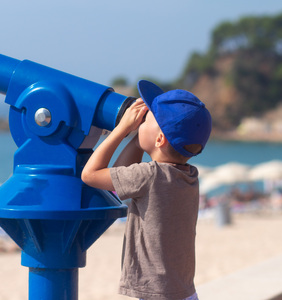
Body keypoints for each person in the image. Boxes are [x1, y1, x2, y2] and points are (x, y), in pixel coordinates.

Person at [81, 80, 212, 300]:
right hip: (183, 291)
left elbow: (90, 175)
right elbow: (122, 172)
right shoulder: (189, 176)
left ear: (160, 138)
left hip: (157, 294)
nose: (141, 120)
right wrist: (140, 136)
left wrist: (123, 128)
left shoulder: (149, 176)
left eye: (147, 119)